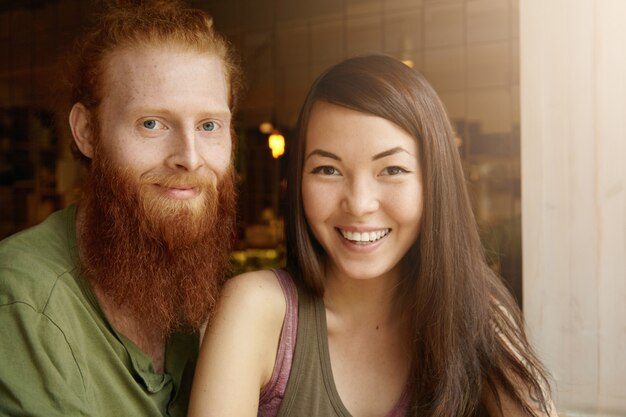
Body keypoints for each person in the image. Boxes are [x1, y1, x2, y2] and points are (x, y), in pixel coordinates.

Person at [188, 55, 557, 417]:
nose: (359, 204)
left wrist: (479, 308)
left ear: (434, 182)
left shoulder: (475, 311)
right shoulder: (257, 310)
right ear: (297, 181)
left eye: (392, 169)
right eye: (328, 169)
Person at [0, 1, 241, 415]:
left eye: (209, 126)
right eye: (152, 123)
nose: (190, 156)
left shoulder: (189, 278)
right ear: (87, 132)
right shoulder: (21, 300)